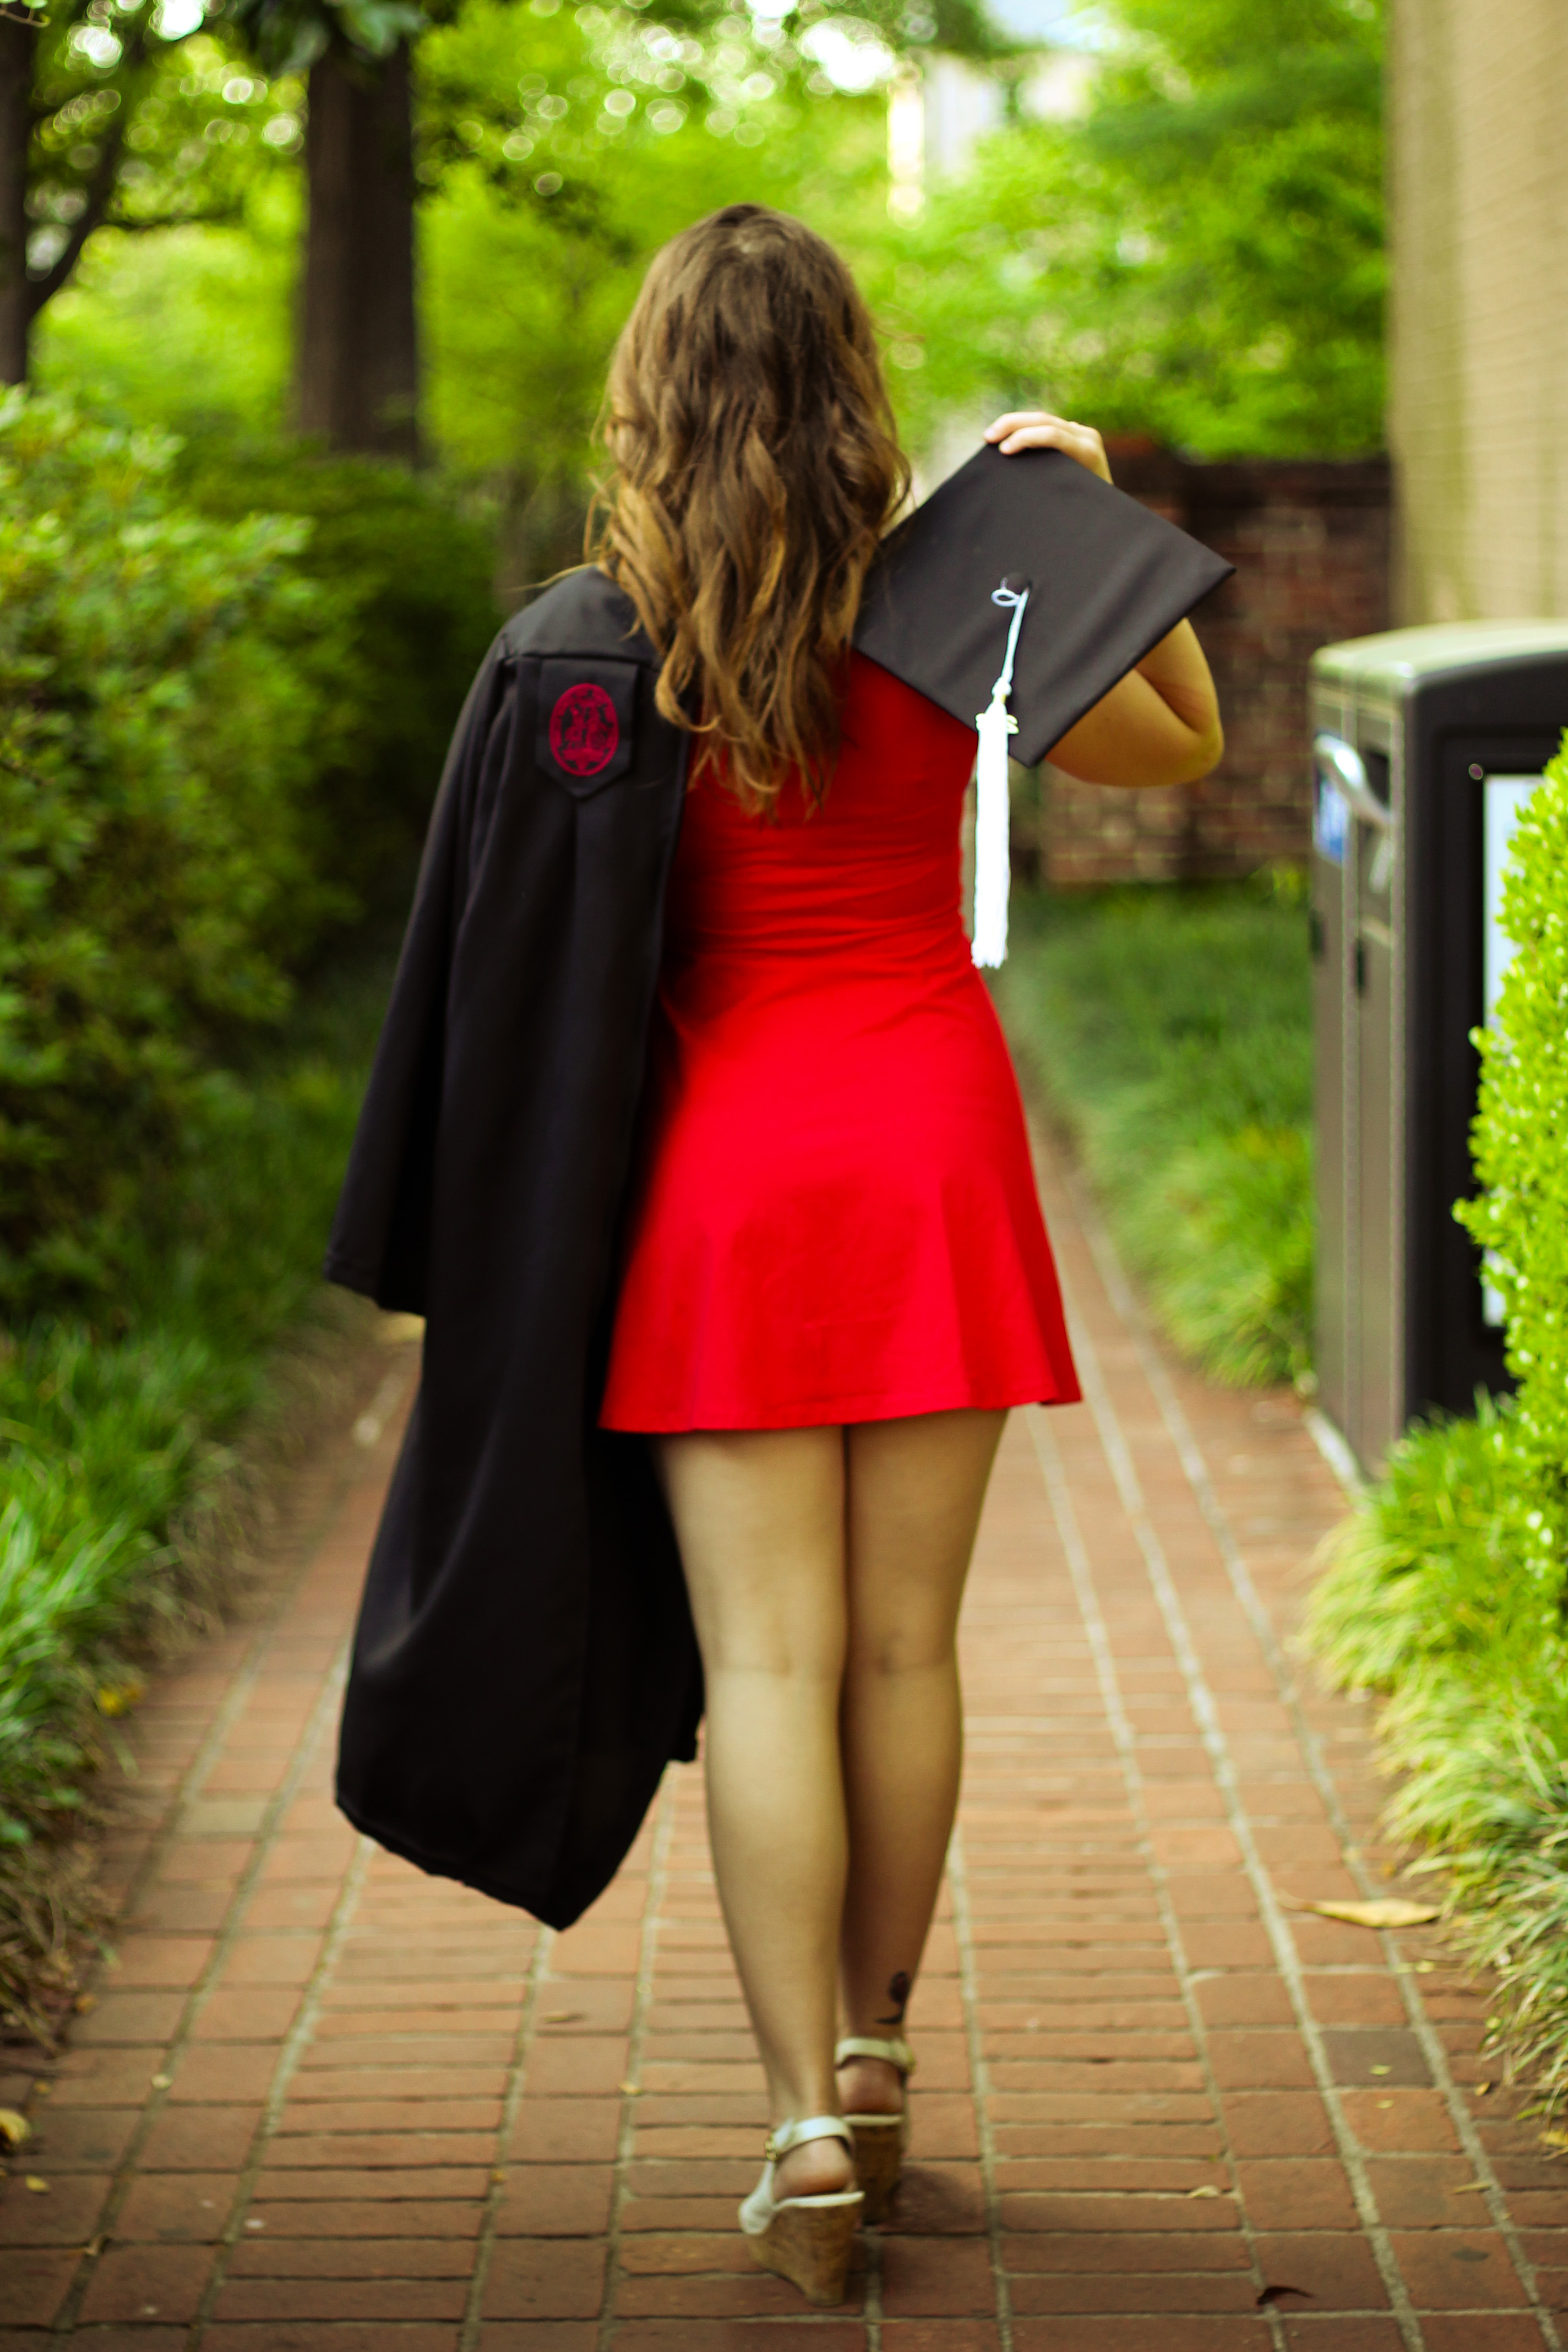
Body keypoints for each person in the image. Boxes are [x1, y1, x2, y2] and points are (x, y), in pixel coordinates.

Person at [583, 204, 1223, 2305]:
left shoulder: (613, 639)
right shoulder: (954, 600)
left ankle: (795, 2131)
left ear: (657, 392)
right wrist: (1098, 517)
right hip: (929, 1137)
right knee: (904, 1652)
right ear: (851, 382)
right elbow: (1184, 743)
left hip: (727, 1170)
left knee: (768, 1664)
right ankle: (874, 2060)